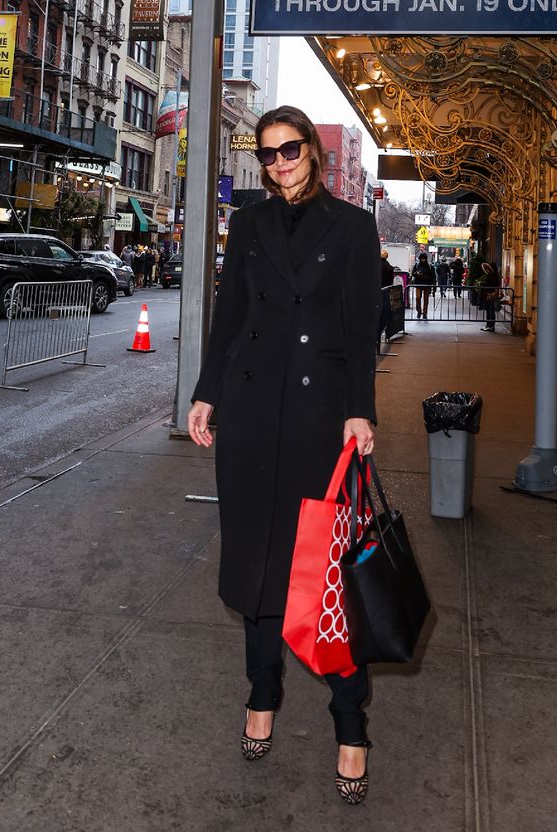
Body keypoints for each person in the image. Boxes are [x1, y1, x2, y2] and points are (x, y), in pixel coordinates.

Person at [187, 105, 380, 805]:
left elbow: (362, 330)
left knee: (324, 582)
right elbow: (230, 314)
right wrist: (207, 393)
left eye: (290, 150)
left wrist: (361, 410)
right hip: (248, 412)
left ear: (313, 154)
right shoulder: (249, 223)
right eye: (267, 154)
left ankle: (350, 724)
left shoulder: (353, 228)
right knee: (257, 570)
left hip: (318, 419)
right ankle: (261, 696)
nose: (278, 163)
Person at [411, 252, 436, 320]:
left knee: (426, 300)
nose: (423, 260)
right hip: (419, 284)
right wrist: (417, 274)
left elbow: (433, 276)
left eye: (424, 259)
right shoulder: (416, 265)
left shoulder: (430, 266)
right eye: (421, 259)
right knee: (418, 298)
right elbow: (413, 273)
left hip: (426, 284)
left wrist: (433, 286)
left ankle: (424, 313)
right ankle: (419, 311)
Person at [480, 259, 501, 332]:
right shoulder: (493, 274)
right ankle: (489, 325)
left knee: (490, 310)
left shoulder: (492, 275)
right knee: (489, 310)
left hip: (490, 295)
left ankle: (490, 325)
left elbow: (490, 284)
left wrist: (482, 284)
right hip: (489, 294)